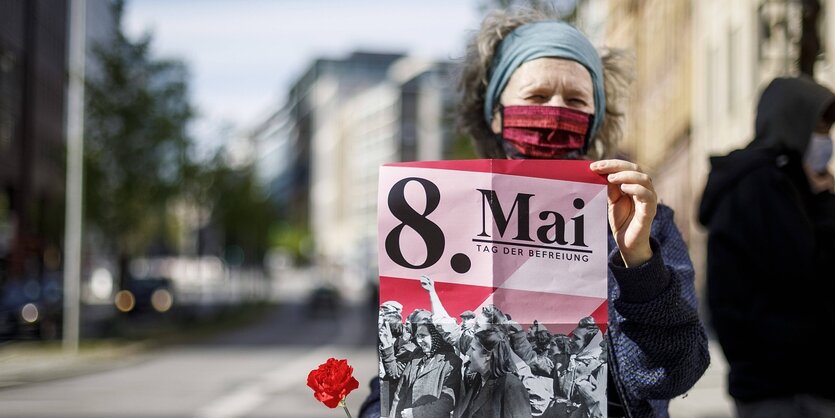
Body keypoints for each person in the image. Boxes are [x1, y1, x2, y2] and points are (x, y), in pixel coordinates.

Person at [362, 7, 709, 418]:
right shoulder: (444, 217)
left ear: (594, 119)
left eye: (576, 99)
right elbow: (392, 385)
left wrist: (640, 265)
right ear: (495, 114)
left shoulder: (641, 223)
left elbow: (678, 372)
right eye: (537, 97)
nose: (556, 111)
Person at [698, 76, 835, 418]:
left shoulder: (765, 179)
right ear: (793, 119)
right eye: (819, 126)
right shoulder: (766, 184)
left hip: (777, 382)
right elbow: (807, 273)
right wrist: (825, 203)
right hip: (788, 388)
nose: (825, 140)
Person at [380, 309, 463, 418]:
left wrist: (415, 413)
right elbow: (400, 393)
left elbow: (447, 402)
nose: (419, 341)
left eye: (423, 336)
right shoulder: (416, 356)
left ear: (435, 336)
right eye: (417, 336)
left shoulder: (451, 362)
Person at [454, 328, 532, 418]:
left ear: (488, 355)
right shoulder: (478, 380)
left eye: (473, 349)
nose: (468, 353)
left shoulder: (511, 385)